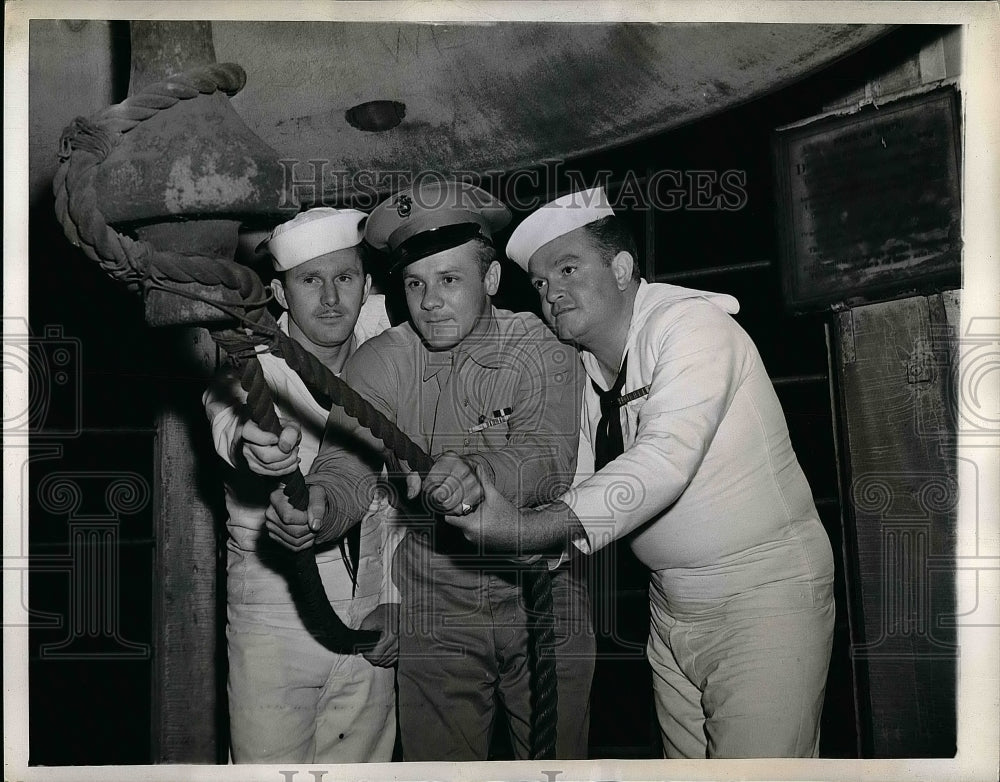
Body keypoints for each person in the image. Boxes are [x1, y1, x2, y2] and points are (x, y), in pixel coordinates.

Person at [444, 186, 837, 759]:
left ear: (623, 267)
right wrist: (531, 542)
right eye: (541, 283)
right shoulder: (589, 371)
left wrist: (528, 529)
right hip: (669, 608)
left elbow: (664, 459)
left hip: (764, 601)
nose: (551, 291)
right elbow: (577, 485)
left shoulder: (693, 328)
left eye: (568, 268)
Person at [264, 180, 596, 761]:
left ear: (490, 281)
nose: (430, 302)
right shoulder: (381, 360)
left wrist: (476, 471)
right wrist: (319, 507)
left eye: (450, 280)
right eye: (415, 284)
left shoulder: (540, 345)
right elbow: (347, 465)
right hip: (435, 603)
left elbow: (549, 459)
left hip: (541, 593)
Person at [203, 207, 397, 763]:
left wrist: (398, 602)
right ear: (280, 294)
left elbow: (408, 495)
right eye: (310, 281)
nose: (332, 299)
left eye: (345, 278)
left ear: (366, 284)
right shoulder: (248, 369)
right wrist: (255, 450)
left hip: (372, 613)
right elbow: (228, 422)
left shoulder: (389, 352)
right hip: (274, 617)